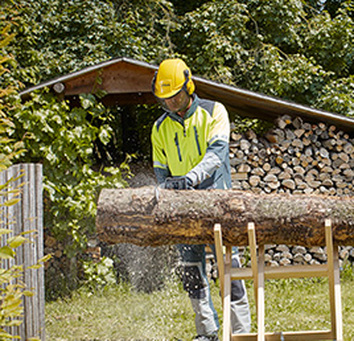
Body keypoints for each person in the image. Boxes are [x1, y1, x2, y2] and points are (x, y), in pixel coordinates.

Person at [151, 58, 251, 341]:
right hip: (182, 208)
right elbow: (160, 169)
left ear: (189, 86)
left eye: (176, 96)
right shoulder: (159, 127)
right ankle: (207, 332)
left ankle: (240, 333)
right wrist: (166, 188)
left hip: (219, 202)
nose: (171, 103)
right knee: (192, 272)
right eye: (165, 99)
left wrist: (190, 179)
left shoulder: (214, 112)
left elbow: (216, 155)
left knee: (230, 271)